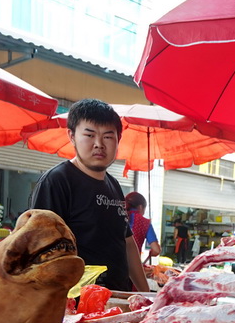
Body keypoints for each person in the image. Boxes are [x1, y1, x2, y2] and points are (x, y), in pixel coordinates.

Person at [31, 98, 149, 292]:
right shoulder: (57, 181)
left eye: (108, 137)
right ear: (71, 136)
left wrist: (147, 296)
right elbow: (41, 251)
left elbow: (127, 243)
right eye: (89, 135)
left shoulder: (113, 184)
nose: (99, 144)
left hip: (115, 298)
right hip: (74, 305)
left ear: (118, 139)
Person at [125, 192, 161, 262]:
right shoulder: (144, 222)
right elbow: (156, 250)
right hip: (133, 265)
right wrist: (152, 253)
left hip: (111, 263)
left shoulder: (117, 216)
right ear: (141, 207)